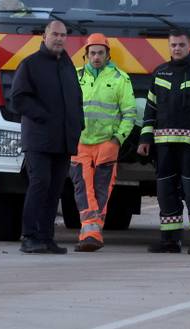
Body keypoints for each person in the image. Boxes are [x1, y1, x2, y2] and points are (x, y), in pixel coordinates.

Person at [137, 29, 190, 255]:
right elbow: (150, 109)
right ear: (169, 46)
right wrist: (145, 138)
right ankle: (170, 241)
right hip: (163, 146)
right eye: (173, 45)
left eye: (181, 45)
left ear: (189, 46)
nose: (177, 48)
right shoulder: (160, 73)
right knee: (165, 193)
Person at [10, 19, 84, 254]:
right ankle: (29, 236)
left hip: (63, 141)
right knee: (40, 184)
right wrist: (43, 117)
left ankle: (46, 237)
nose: (60, 39)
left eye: (63, 35)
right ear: (44, 36)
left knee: (55, 189)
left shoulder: (67, 65)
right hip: (39, 140)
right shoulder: (30, 65)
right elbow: (19, 99)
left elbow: (76, 98)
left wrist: (78, 124)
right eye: (55, 34)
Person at [70, 33, 137, 252]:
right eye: (92, 53)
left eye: (100, 53)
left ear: (108, 54)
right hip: (80, 142)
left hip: (107, 143)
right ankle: (91, 232)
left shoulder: (120, 78)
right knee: (83, 188)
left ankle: (90, 232)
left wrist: (118, 139)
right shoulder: (75, 76)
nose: (96, 57)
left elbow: (129, 114)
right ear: (86, 55)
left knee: (101, 190)